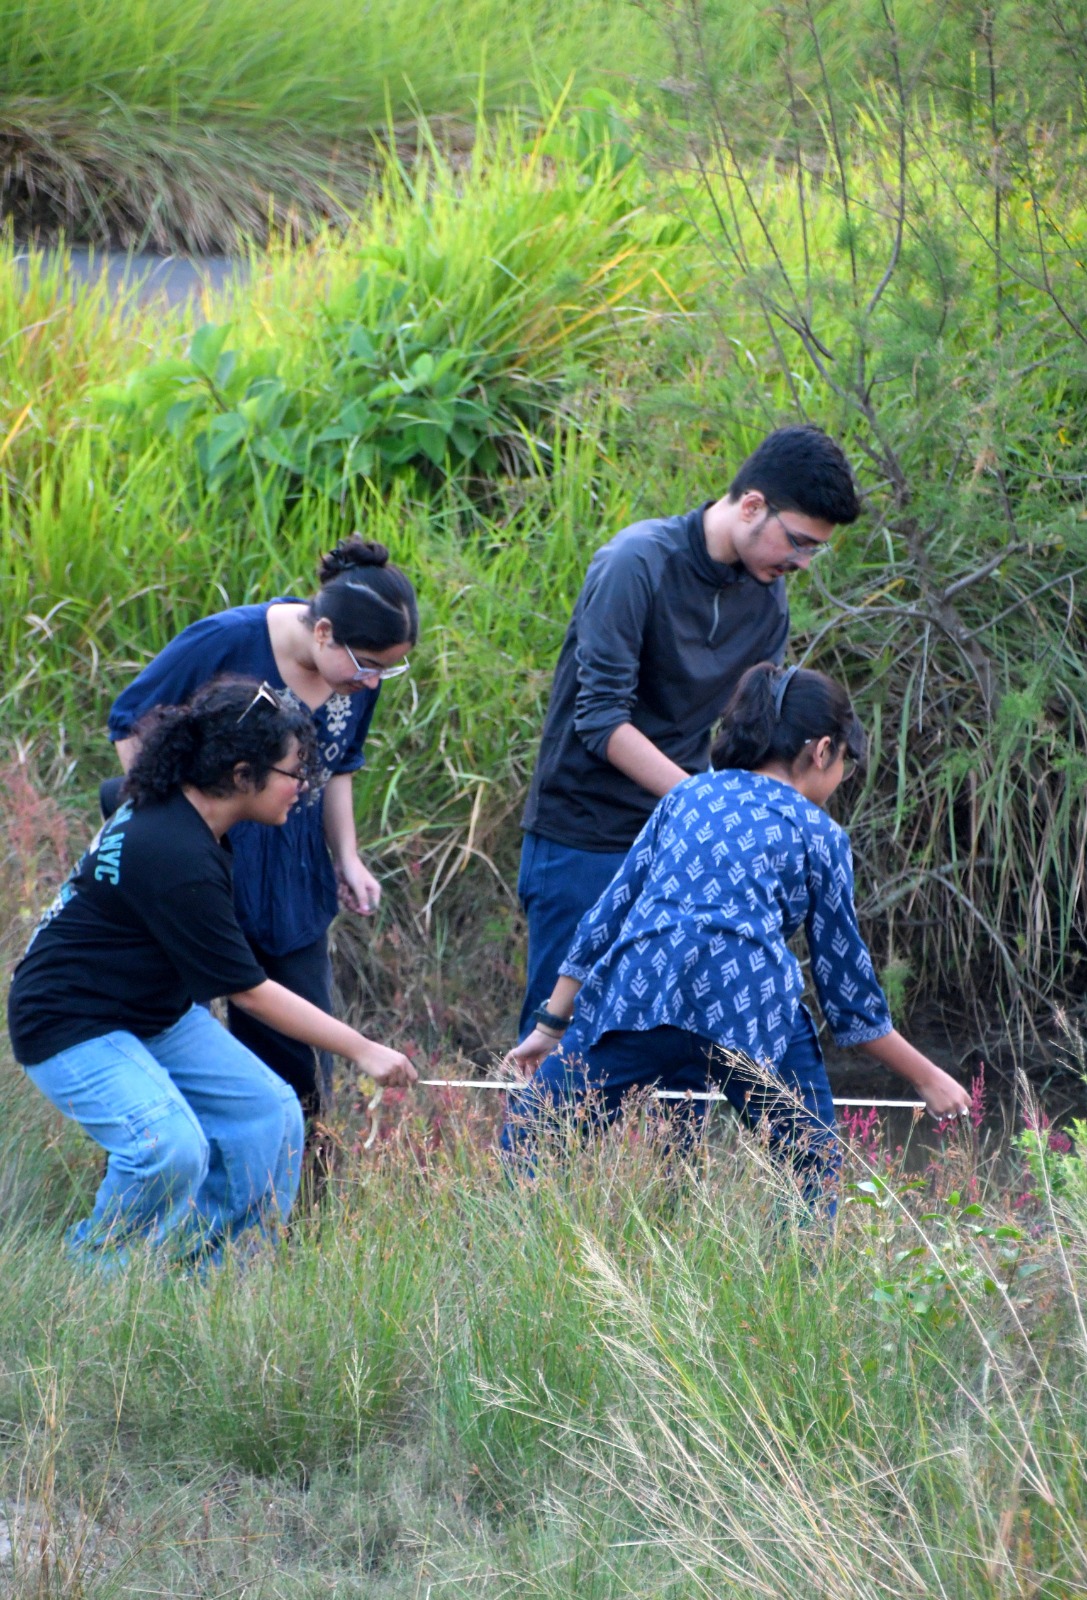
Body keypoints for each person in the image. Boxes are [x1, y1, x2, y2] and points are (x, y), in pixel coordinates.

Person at [503, 663, 971, 1205]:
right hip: (746, 1004)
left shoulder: (687, 797)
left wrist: (551, 1023)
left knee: (533, 1133)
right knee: (808, 1169)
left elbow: (607, 916)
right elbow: (851, 1002)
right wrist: (929, 1078)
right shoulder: (820, 833)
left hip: (641, 991)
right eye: (845, 761)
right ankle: (800, 1277)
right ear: (822, 750)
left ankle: (523, 1236)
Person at [8, 678, 417, 1269]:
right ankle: (91, 1280)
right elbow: (249, 994)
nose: (301, 789)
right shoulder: (179, 857)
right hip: (70, 1022)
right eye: (292, 773)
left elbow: (111, 797)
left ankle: (215, 1278)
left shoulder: (166, 797)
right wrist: (363, 1050)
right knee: (167, 1149)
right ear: (243, 773)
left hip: (151, 1012)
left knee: (268, 1116)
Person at [518, 425, 861, 1038]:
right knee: (560, 1045)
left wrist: (726, 823)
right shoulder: (636, 564)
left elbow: (754, 736)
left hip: (682, 847)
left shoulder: (768, 600)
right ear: (753, 505)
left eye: (816, 552)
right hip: (584, 835)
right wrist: (703, 807)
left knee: (681, 1045)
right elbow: (600, 720)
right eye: (800, 543)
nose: (802, 564)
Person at [107, 535, 417, 1119]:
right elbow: (129, 721)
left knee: (300, 1062)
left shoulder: (352, 678)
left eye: (389, 669)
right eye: (370, 664)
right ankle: (167, 1193)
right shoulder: (226, 639)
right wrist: (171, 829)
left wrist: (346, 856)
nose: (374, 681)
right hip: (205, 859)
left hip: (292, 868)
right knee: (179, 1040)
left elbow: (338, 764)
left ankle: (300, 1203)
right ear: (323, 632)